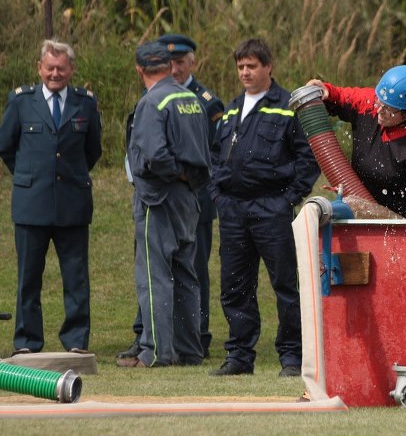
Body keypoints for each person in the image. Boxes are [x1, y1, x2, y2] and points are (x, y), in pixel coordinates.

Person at [208, 38, 320, 377]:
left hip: (272, 208)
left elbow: (308, 157)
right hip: (233, 210)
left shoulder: (288, 106)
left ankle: (291, 358)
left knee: (284, 285)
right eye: (240, 66)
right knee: (235, 285)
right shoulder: (230, 107)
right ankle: (240, 357)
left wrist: (289, 199)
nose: (245, 72)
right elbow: (216, 154)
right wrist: (219, 195)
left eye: (252, 66)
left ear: (268, 68)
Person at [116, 34, 223, 361]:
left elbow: (156, 156)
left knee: (154, 276)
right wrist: (187, 176)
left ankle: (156, 351)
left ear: (139, 69)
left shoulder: (152, 102)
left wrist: (172, 172)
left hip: (158, 200)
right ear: (166, 64)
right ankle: (189, 350)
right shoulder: (191, 99)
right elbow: (205, 152)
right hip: (189, 199)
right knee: (187, 275)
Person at [0, 39, 102, 355]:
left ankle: (75, 340)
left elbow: (93, 150)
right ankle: (28, 341)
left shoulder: (85, 103)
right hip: (32, 205)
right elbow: (6, 147)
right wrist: (30, 177)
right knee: (28, 279)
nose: (55, 74)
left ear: (71, 69)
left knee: (75, 278)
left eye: (61, 68)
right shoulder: (20, 102)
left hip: (72, 204)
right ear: (39, 68)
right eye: (49, 68)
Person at [305, 65, 406, 217]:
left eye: (388, 109)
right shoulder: (373, 103)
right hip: (357, 204)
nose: (378, 110)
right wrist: (324, 89)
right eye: (379, 102)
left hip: (402, 223)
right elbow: (338, 96)